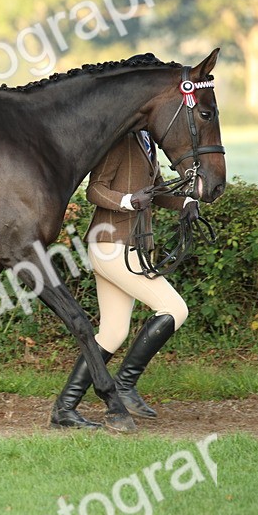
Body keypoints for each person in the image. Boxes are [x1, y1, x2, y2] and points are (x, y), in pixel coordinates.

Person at [50, 129, 199, 429]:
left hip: (130, 249)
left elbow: (156, 193)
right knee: (174, 309)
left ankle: (64, 408)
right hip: (112, 246)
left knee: (113, 333)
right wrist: (129, 201)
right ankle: (124, 384)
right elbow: (95, 190)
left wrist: (186, 202)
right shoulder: (120, 140)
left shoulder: (147, 142)